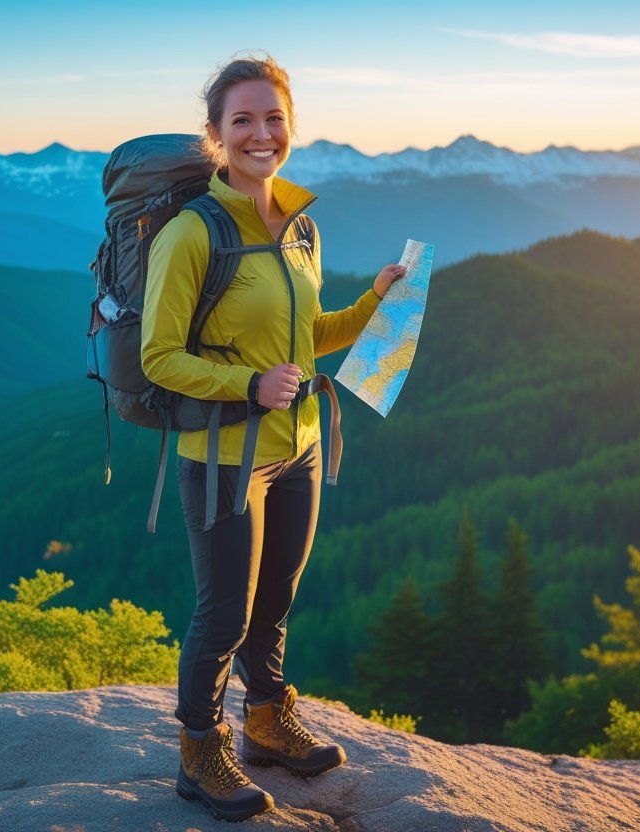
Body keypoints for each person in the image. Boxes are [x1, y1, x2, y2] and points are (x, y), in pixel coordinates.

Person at [140, 52, 407, 823]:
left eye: (274, 117)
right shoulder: (191, 235)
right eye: (244, 120)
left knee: (275, 601)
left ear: (291, 125)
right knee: (223, 612)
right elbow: (160, 358)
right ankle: (199, 750)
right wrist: (247, 386)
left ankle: (265, 723)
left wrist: (373, 302)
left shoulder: (299, 224)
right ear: (217, 136)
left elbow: (305, 334)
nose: (262, 133)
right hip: (223, 456)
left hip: (300, 445)